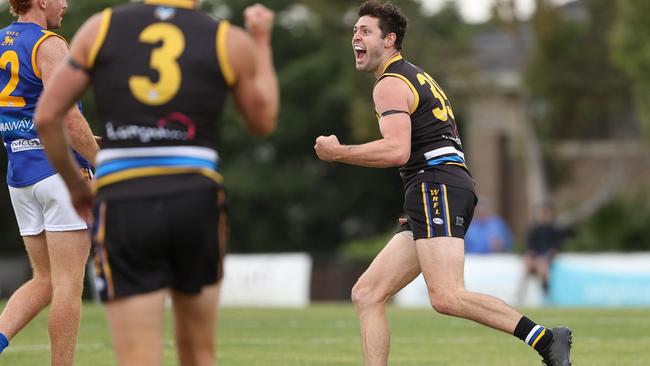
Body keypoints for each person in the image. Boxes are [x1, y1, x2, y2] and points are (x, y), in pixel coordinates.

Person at [314, 1, 571, 365]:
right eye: (355, 31)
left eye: (365, 31)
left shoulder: (389, 83)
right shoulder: (413, 75)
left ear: (389, 40)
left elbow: (397, 150)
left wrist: (338, 152)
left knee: (447, 295)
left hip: (436, 186)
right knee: (367, 293)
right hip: (437, 186)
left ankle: (546, 339)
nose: (355, 37)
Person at [34, 0, 278, 365]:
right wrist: (260, 40)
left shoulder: (99, 28)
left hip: (124, 199)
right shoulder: (226, 38)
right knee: (198, 354)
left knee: (137, 356)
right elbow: (263, 121)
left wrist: (75, 186)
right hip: (194, 197)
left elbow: (48, 116)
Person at [0, 0, 99, 362]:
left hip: (20, 176)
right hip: (58, 174)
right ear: (42, 1)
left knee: (44, 280)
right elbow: (67, 117)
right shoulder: (49, 43)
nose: (66, 4)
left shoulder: (0, 41)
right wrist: (97, 162)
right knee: (68, 285)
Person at [519, 202, 565, 300]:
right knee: (528, 263)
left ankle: (545, 289)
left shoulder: (553, 228)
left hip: (546, 255)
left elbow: (557, 244)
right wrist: (531, 253)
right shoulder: (533, 228)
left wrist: (552, 251)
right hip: (536, 255)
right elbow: (529, 245)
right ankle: (522, 291)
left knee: (542, 265)